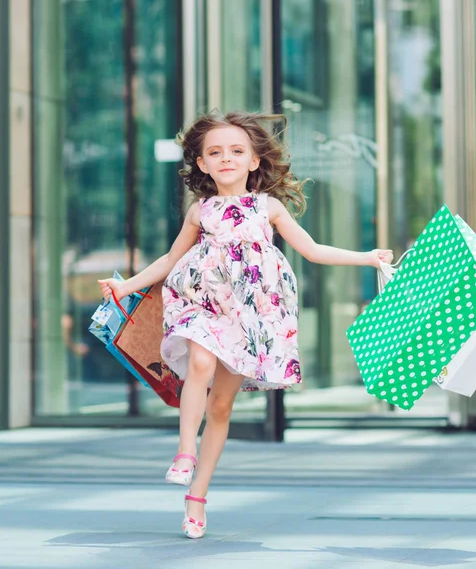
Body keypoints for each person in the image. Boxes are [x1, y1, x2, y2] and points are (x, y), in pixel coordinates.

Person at [98, 110, 393, 539]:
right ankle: (185, 453)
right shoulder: (201, 211)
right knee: (200, 362)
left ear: (255, 160)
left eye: (237, 151)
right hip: (201, 302)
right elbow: (169, 259)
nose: (226, 158)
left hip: (249, 316)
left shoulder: (267, 207)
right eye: (215, 152)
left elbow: (311, 250)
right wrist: (126, 290)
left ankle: (197, 496)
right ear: (201, 163)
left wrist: (367, 257)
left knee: (221, 407)